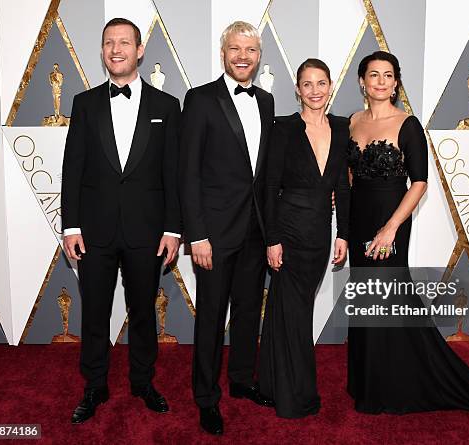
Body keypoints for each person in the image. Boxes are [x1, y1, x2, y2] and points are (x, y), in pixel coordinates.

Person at [346, 50, 469, 414]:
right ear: (362, 81)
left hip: (392, 221)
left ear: (396, 82)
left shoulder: (408, 124)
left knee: (386, 297)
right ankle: (368, 379)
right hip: (359, 221)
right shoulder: (353, 121)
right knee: (367, 296)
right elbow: (352, 174)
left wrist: (390, 228)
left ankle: (391, 383)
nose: (381, 81)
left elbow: (419, 183)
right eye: (374, 75)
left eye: (389, 75)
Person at [61, 18, 182, 424]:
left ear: (139, 50)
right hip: (93, 232)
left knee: (144, 313)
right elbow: (72, 168)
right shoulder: (84, 103)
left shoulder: (167, 107)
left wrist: (172, 229)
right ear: (102, 51)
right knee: (94, 312)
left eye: (124, 43)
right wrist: (71, 226)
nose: (116, 49)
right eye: (109, 43)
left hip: (147, 232)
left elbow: (173, 174)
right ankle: (94, 385)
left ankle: (143, 382)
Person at [178, 21, 275, 435]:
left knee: (250, 311)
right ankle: (206, 397)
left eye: (250, 50)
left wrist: (272, 234)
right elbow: (188, 173)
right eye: (235, 49)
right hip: (214, 235)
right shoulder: (199, 99)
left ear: (258, 56)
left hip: (256, 231)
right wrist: (196, 234)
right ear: (223, 53)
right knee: (212, 318)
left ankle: (240, 381)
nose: (242, 56)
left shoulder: (268, 101)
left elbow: (266, 175)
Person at [259, 59, 350, 419]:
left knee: (292, 311)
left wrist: (343, 233)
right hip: (289, 229)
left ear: (330, 87)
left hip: (320, 233)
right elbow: (268, 186)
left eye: (321, 83)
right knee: (291, 312)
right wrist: (272, 238)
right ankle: (294, 394)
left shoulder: (341, 129)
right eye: (307, 84)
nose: (314, 90)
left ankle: (271, 383)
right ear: (297, 90)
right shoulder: (282, 128)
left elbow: (343, 186)